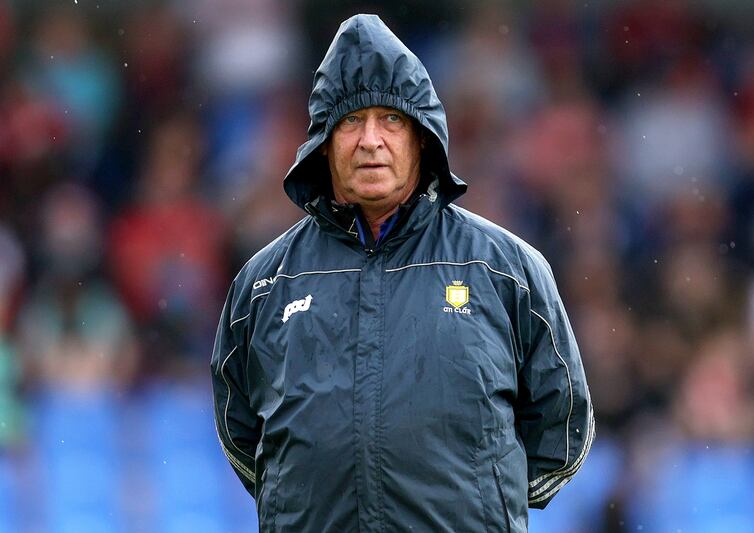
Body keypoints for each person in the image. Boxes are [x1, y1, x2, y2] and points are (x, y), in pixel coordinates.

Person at [211, 14, 594, 532]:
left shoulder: (507, 270)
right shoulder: (263, 284)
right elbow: (242, 438)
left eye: (391, 119)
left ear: (422, 138)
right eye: (351, 120)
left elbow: (563, 428)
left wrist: (480, 509)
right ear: (324, 142)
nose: (371, 140)